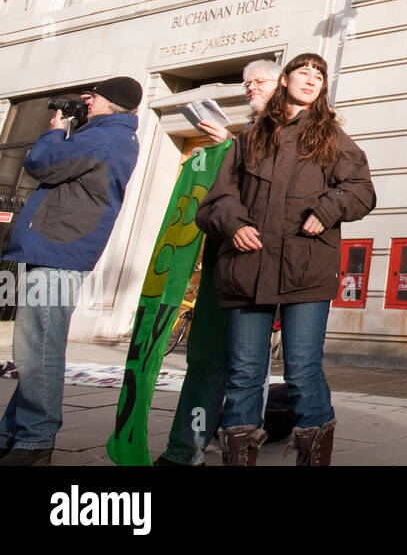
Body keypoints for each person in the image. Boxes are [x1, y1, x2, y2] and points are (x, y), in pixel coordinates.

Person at [196, 53, 374, 466]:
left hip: (305, 271)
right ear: (285, 79)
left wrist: (327, 211)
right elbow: (216, 201)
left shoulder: (331, 137)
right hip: (248, 269)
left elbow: (362, 191)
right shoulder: (251, 137)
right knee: (243, 375)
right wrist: (234, 224)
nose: (311, 79)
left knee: (302, 372)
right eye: (303, 72)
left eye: (319, 76)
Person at [0, 77, 142, 466]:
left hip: (59, 251)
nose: (86, 101)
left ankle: (35, 441)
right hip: (57, 249)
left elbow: (41, 164)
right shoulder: (105, 135)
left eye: (93, 97)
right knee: (35, 350)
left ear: (112, 103)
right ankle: (13, 434)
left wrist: (55, 133)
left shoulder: (104, 137)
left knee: (39, 350)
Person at [154, 59, 280, 467]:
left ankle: (238, 449)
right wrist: (226, 146)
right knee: (205, 359)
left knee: (247, 368)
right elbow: (217, 202)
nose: (250, 88)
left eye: (259, 81)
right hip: (221, 260)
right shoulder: (240, 136)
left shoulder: (290, 134)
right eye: (246, 82)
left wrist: (229, 146)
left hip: (257, 268)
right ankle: (184, 448)